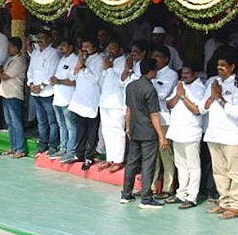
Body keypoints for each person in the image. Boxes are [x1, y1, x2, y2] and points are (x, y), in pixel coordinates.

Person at [203, 55, 238, 220]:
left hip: (231, 135)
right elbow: (202, 107)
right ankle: (224, 201)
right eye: (218, 65)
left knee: (235, 173)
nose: (219, 68)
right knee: (219, 172)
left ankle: (236, 205)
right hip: (213, 134)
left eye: (223, 65)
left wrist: (220, 98)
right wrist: (213, 95)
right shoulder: (212, 82)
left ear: (232, 66)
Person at [121, 56, 167, 209]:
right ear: (152, 71)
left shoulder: (131, 86)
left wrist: (128, 127)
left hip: (134, 130)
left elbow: (129, 110)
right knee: (148, 164)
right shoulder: (150, 89)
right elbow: (154, 114)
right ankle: (146, 198)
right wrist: (162, 136)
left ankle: (126, 193)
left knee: (131, 162)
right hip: (148, 132)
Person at [166, 65, 206, 208]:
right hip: (177, 132)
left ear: (195, 73)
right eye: (182, 73)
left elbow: (197, 110)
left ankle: (192, 196)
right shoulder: (179, 85)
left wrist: (183, 96)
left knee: (193, 166)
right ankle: (181, 193)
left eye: (187, 73)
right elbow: (168, 104)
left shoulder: (200, 89)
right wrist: (178, 95)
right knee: (180, 165)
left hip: (191, 132)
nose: (184, 76)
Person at [0, 37, 28, 159]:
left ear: (16, 48)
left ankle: (20, 148)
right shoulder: (11, 59)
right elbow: (2, 70)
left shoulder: (20, 61)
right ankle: (13, 146)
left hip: (14, 94)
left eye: (10, 46)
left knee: (16, 122)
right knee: (9, 123)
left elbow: (4, 76)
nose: (8, 49)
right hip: (6, 93)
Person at [67, 40, 103, 169]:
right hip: (79, 100)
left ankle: (89, 156)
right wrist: (78, 64)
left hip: (92, 101)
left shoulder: (99, 60)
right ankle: (79, 154)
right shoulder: (81, 59)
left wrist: (84, 67)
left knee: (92, 132)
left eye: (87, 46)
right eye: (83, 47)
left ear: (94, 47)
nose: (84, 49)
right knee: (81, 130)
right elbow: (71, 77)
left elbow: (96, 79)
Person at [96, 40, 130, 172]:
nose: (110, 51)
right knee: (106, 130)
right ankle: (109, 158)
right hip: (104, 102)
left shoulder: (124, 61)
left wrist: (109, 68)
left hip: (117, 102)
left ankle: (118, 160)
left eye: (113, 48)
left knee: (117, 131)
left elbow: (121, 82)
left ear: (120, 50)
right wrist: (105, 69)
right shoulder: (107, 62)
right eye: (108, 48)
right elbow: (100, 82)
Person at [150, 47, 179, 198]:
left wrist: (151, 80)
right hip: (151, 118)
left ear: (166, 59)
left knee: (166, 154)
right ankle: (152, 187)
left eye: (158, 56)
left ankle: (168, 188)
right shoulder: (151, 73)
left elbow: (162, 95)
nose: (154, 59)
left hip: (165, 119)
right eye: (153, 56)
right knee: (152, 155)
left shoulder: (171, 74)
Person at [27, 30, 60, 157]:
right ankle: (42, 145)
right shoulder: (35, 53)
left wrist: (41, 86)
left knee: (52, 121)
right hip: (35, 93)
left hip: (48, 92)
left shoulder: (54, 53)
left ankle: (52, 145)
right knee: (41, 120)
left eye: (43, 38)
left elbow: (52, 72)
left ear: (49, 40)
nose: (40, 40)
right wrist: (30, 83)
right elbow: (31, 71)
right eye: (38, 38)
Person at [50, 39, 79, 163]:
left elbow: (74, 81)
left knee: (70, 126)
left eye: (64, 45)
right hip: (58, 97)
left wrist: (59, 81)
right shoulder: (62, 59)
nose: (61, 48)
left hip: (68, 98)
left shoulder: (75, 59)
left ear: (71, 47)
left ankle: (71, 150)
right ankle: (63, 148)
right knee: (61, 125)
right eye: (60, 45)